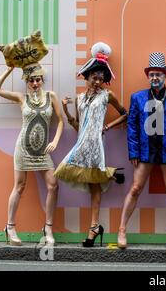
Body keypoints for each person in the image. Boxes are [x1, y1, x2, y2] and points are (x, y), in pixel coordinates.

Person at [54, 42, 127, 247]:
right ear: (86, 78)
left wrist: (107, 127)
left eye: (101, 78)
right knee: (65, 171)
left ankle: (93, 227)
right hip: (81, 144)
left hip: (96, 145)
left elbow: (125, 114)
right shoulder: (78, 99)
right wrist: (67, 111)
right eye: (94, 78)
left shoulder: (106, 96)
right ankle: (111, 174)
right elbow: (79, 126)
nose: (97, 81)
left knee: (94, 187)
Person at [118, 52, 166, 250]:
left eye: (158, 74)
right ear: (148, 77)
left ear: (165, 76)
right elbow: (132, 127)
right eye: (152, 75)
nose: (155, 78)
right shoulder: (137, 98)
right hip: (145, 150)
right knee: (135, 188)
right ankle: (122, 229)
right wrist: (134, 152)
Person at [0, 63, 63, 246]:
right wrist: (9, 69)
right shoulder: (21, 98)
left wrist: (54, 141)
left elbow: (60, 120)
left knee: (53, 185)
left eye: (38, 79)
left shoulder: (51, 96)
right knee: (19, 186)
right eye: (31, 80)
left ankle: (48, 227)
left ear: (42, 80)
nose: (35, 83)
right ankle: (10, 226)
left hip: (42, 150)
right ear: (27, 82)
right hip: (23, 148)